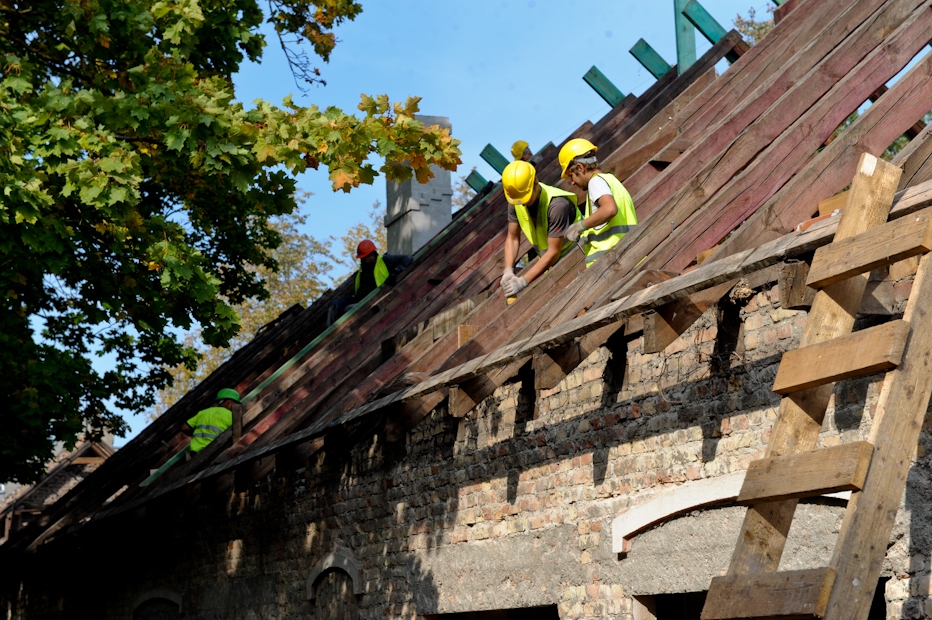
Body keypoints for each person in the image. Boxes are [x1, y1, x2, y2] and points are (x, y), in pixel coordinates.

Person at [499, 160, 581, 297]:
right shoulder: (517, 200)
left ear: (535, 183)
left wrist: (523, 281)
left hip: (577, 257)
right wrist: (508, 270)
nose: (522, 203)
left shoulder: (557, 205)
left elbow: (553, 252)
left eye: (525, 198)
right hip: (551, 266)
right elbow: (512, 238)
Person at [558, 138, 638, 267]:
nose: (572, 182)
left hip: (613, 264)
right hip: (625, 258)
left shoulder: (595, 182)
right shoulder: (611, 180)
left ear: (580, 167)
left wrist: (580, 226)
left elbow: (609, 209)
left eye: (571, 175)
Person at [327, 240, 413, 325]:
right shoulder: (363, 268)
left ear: (372, 255)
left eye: (364, 258)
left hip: (372, 300)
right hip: (358, 298)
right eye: (361, 258)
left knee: (348, 309)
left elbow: (408, 258)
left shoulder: (384, 260)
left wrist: (395, 273)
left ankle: (339, 334)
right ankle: (329, 333)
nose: (362, 261)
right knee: (334, 305)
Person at [182, 388, 240, 453]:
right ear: (228, 404)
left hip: (195, 452)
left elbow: (185, 428)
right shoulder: (232, 416)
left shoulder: (203, 412)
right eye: (235, 404)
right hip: (215, 452)